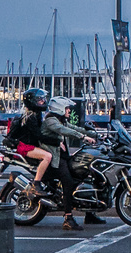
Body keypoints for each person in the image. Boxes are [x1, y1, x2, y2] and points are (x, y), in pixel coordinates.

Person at [40, 95, 100, 230]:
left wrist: (95, 134)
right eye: (67, 108)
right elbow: (65, 131)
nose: (69, 111)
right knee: (68, 182)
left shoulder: (61, 120)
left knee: (84, 175)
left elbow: (75, 128)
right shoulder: (51, 121)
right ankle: (68, 218)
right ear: (60, 109)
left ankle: (90, 213)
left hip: (63, 156)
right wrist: (83, 137)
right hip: (55, 159)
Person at [3, 88, 53, 191]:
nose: (43, 101)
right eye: (39, 99)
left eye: (43, 99)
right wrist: (55, 141)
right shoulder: (30, 117)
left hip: (30, 145)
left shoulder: (36, 114)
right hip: (25, 146)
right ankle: (36, 183)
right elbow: (38, 135)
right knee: (47, 156)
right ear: (32, 101)